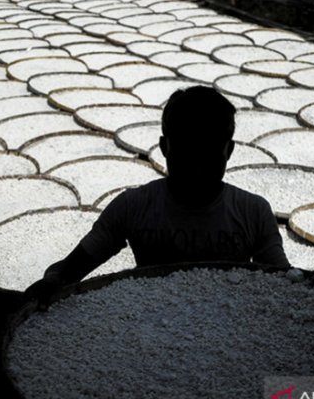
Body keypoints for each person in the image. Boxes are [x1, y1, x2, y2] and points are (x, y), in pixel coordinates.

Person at [25, 85, 290, 306]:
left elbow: (285, 284)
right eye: (187, 154)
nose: (197, 169)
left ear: (229, 151)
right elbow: (71, 269)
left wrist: (313, 282)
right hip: (147, 327)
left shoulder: (254, 212)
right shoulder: (133, 206)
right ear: (164, 147)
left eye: (208, 156)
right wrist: (52, 282)